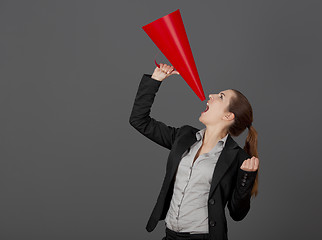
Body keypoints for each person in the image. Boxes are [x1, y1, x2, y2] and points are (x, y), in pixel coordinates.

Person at [129, 63, 260, 240]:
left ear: (228, 116)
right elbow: (139, 120)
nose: (211, 95)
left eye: (220, 97)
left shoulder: (238, 158)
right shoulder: (183, 136)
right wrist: (155, 80)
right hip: (170, 235)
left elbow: (237, 213)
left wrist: (247, 177)